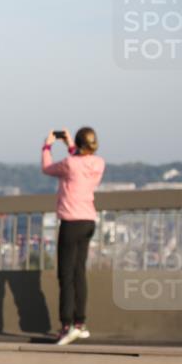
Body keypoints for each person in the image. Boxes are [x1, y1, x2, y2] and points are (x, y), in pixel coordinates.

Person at [42, 127, 105, 346]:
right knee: (79, 273)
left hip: (71, 222)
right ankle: (80, 323)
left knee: (65, 275)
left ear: (78, 144)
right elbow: (80, 160)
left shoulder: (70, 164)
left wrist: (47, 145)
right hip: (89, 221)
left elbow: (48, 168)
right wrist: (71, 144)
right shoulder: (98, 163)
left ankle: (66, 326)